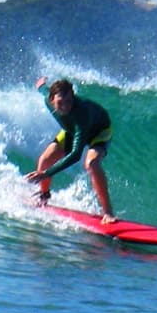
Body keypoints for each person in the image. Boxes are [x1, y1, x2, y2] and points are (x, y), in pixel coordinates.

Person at [24, 77, 117, 224]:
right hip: (72, 130)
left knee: (91, 163)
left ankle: (108, 212)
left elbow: (75, 155)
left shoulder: (81, 113)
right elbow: (42, 89)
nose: (65, 107)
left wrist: (46, 174)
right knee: (45, 160)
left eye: (69, 102)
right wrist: (41, 84)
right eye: (60, 103)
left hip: (99, 131)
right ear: (51, 100)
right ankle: (43, 197)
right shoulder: (47, 97)